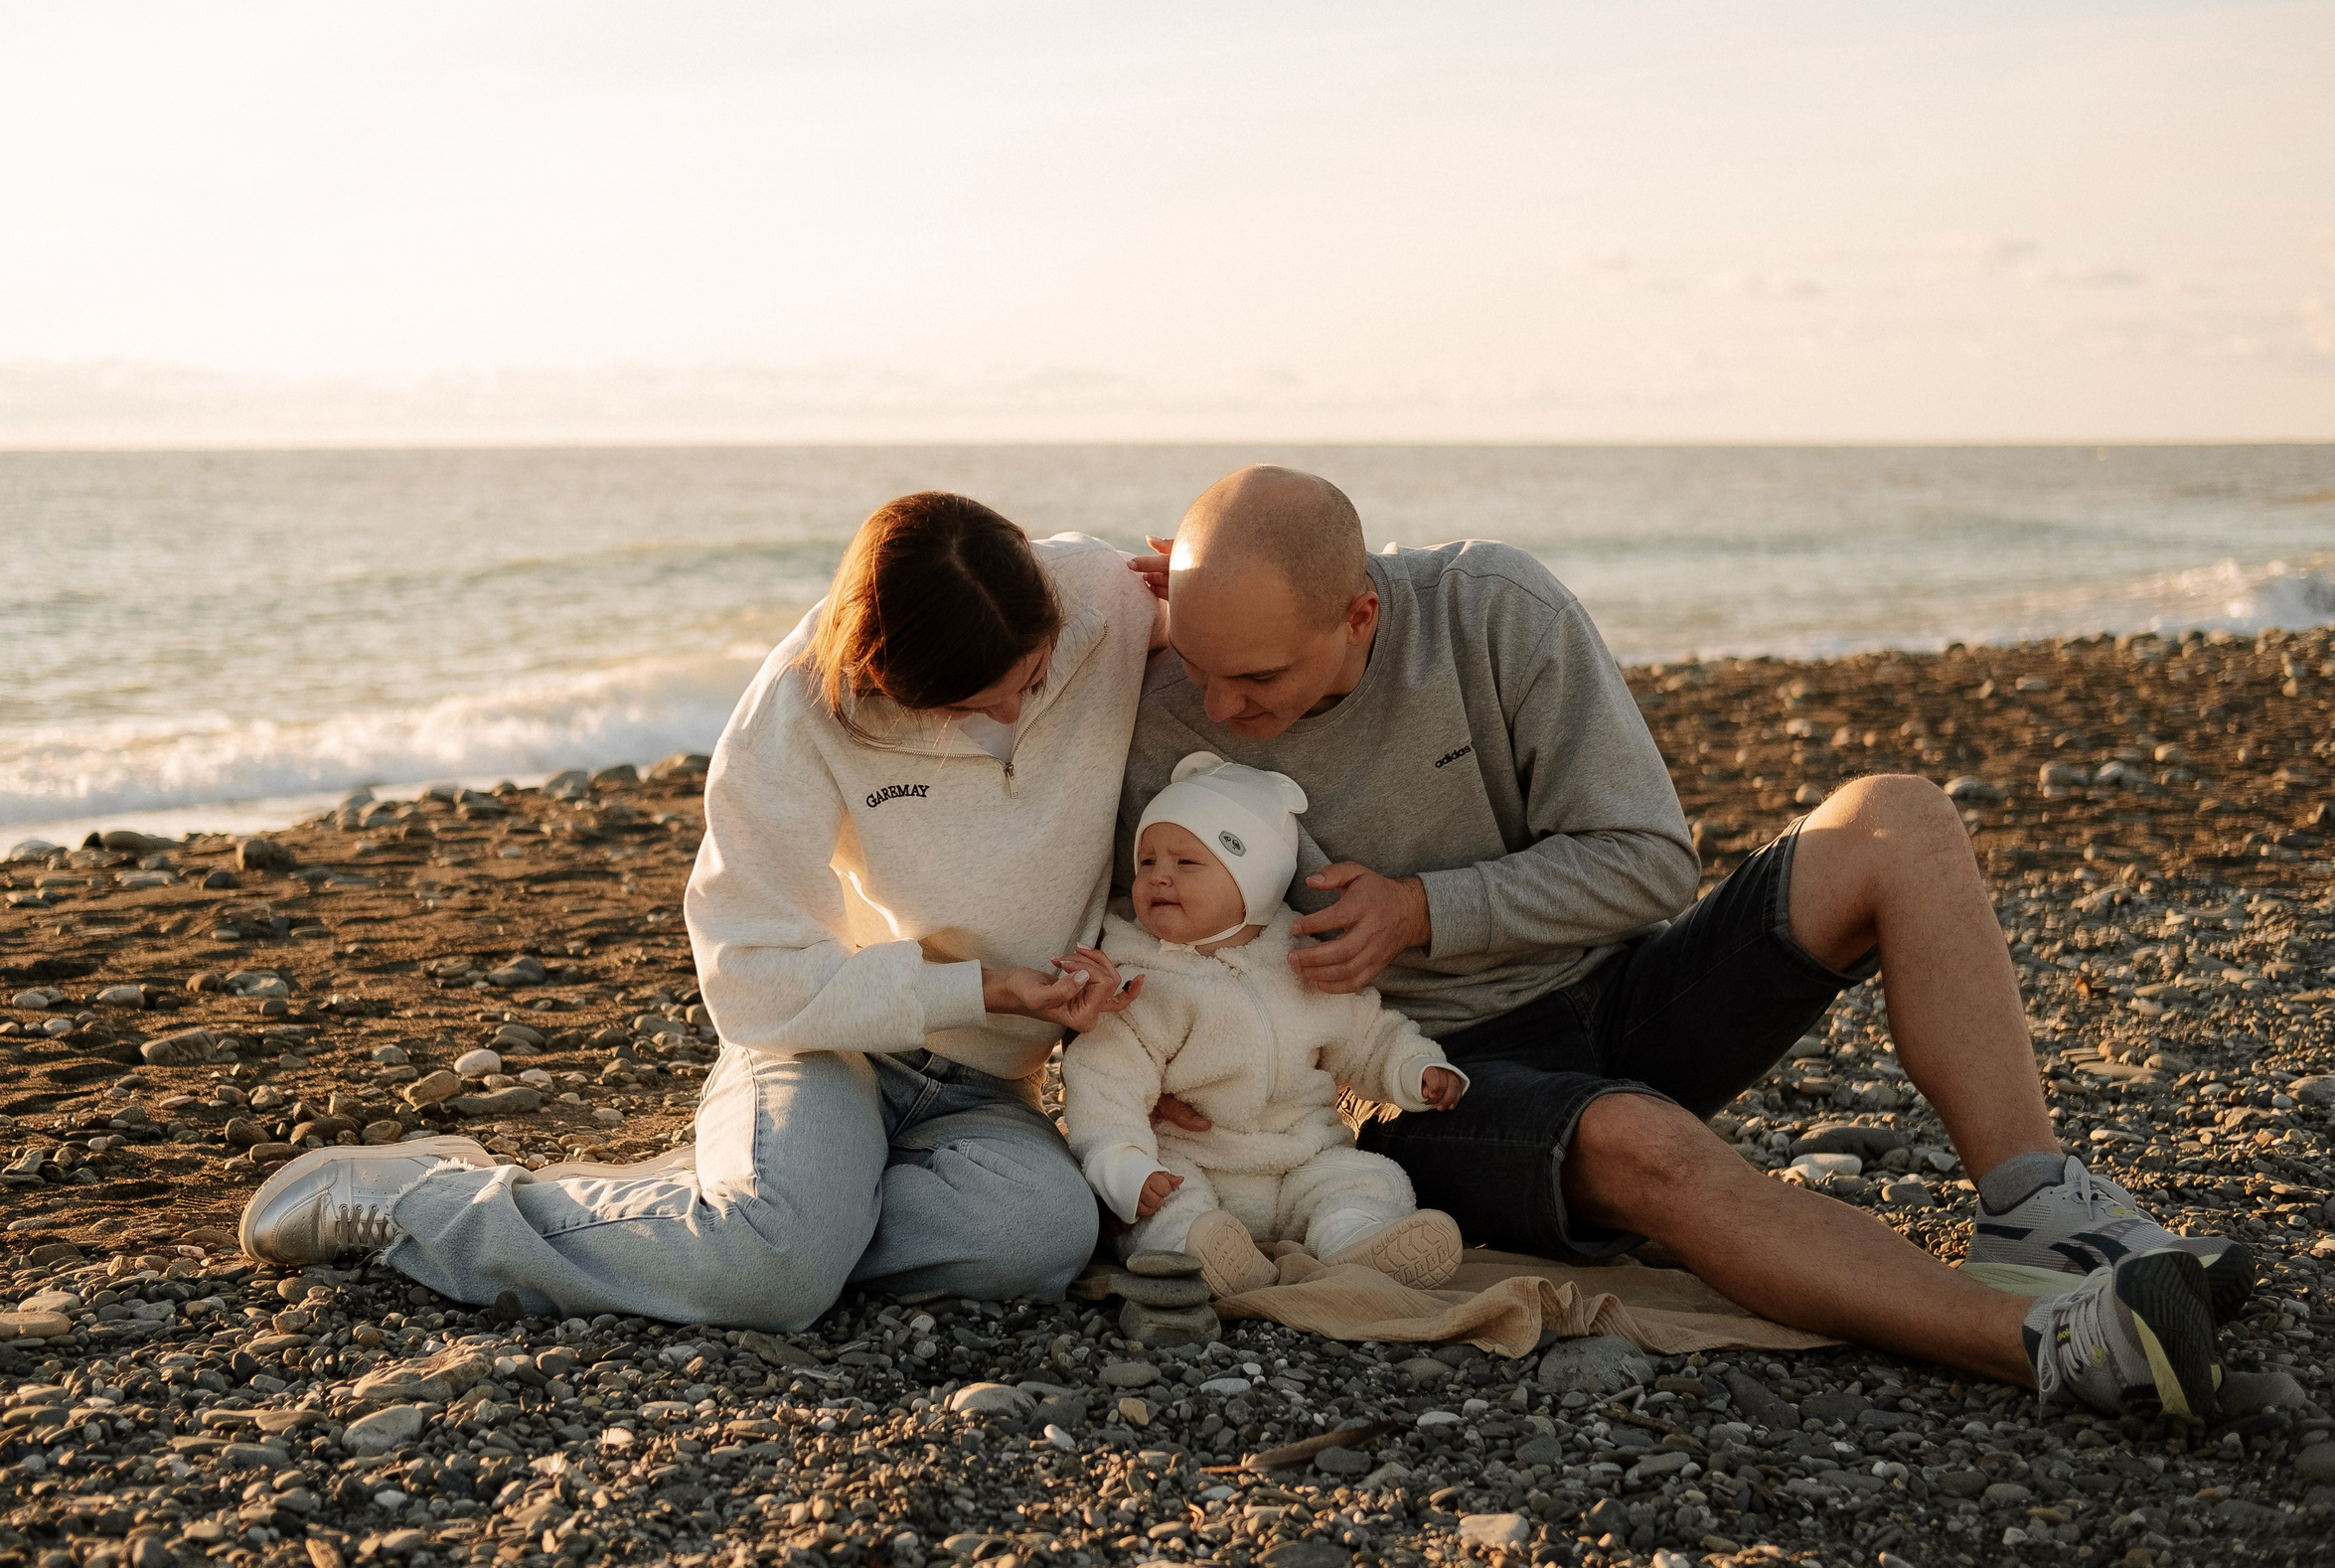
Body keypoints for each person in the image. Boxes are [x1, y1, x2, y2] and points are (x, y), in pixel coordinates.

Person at [1116, 464, 2244, 1420]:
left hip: (1618, 993)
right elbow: (1014, 644)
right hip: (1426, 1078)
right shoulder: (1169, 694)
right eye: (1200, 665)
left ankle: (2036, 1209)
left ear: (1359, 611)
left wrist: (1425, 908)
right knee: (1648, 1145)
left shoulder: (1490, 609)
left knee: (1895, 815)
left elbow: (1649, 860)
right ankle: (2048, 1339)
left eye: (1256, 676)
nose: (1215, 708)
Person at [241, 492, 1160, 1332]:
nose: (1008, 708)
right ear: (881, 675)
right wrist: (987, 989)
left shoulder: (1103, 600)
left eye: (1032, 680)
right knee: (774, 1277)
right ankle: (418, 1200)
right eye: (966, 705)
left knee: (1038, 1241)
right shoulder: (804, 702)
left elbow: (1270, 644)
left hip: (988, 1087)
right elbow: (750, 977)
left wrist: (1213, 589)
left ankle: (755, 1211)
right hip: (827, 1046)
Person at [1061, 751, 1468, 1296]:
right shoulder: (1137, 983)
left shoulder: (1301, 960)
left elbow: (1366, 1035)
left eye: (1185, 863)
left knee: (1365, 1178)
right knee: (1165, 1209)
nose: (1158, 877)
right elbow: (1104, 1085)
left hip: (1301, 1153)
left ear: (1255, 879)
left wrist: (1415, 1068)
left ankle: (1353, 1238)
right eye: (1147, 863)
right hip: (1192, 1160)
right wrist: (1125, 1168)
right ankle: (1195, 1251)